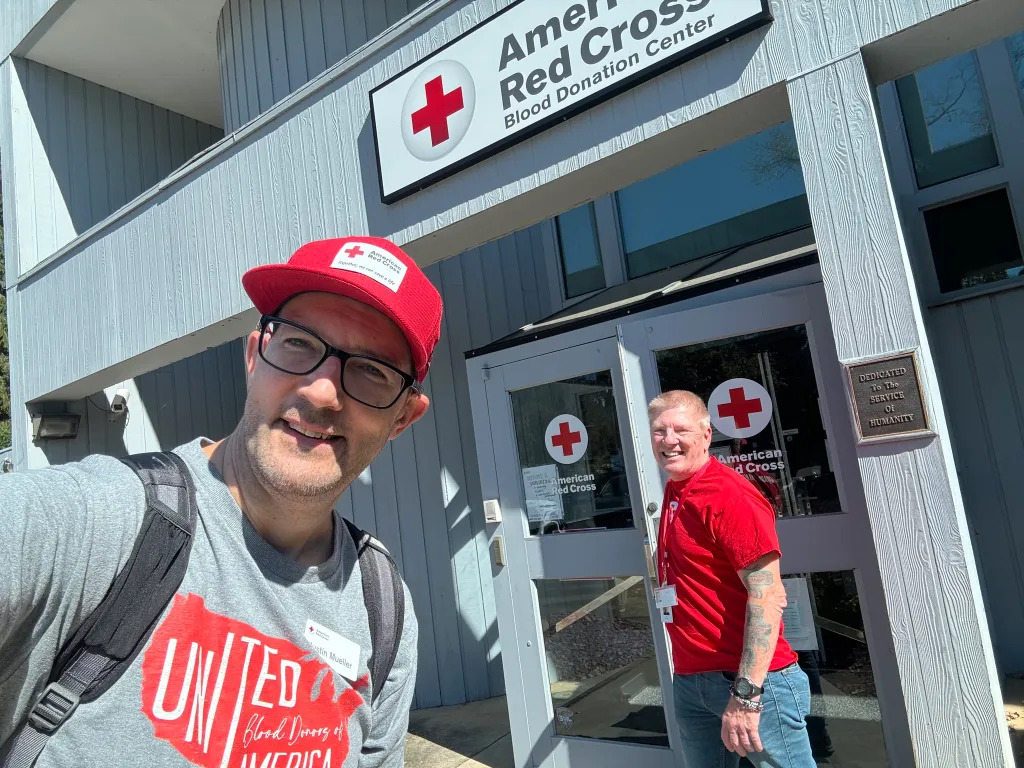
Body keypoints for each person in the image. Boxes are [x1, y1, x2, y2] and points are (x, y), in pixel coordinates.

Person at [0, 236, 443, 768]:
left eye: (372, 370)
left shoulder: (383, 608)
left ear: (403, 418)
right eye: (300, 343)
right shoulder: (99, 523)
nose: (323, 393)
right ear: (255, 355)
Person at [648, 390, 816, 767]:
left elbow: (768, 596)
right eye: (660, 431)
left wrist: (745, 696)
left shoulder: (729, 495)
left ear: (707, 435)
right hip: (693, 681)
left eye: (681, 430)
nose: (669, 441)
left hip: (754, 687)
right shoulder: (677, 489)